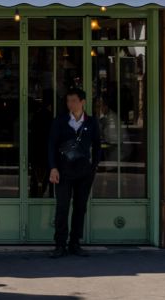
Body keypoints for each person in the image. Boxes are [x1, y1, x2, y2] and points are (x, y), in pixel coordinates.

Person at [48, 87, 101, 258]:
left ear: (82, 102)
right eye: (68, 101)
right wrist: (53, 167)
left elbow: (98, 145)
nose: (71, 104)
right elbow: (52, 146)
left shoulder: (91, 122)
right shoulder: (60, 121)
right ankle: (60, 244)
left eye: (74, 100)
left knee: (80, 207)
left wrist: (94, 166)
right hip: (64, 170)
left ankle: (75, 243)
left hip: (84, 171)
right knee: (62, 207)